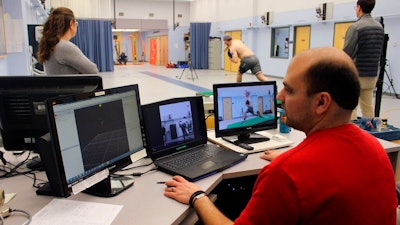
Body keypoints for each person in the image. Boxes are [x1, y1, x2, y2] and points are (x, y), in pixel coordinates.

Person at [162, 47, 397, 225]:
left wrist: (197, 196)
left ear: (321, 102)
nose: (280, 97)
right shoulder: (374, 148)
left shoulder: (286, 173)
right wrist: (291, 163)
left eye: (290, 90)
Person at [343, 0, 384, 120]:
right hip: (371, 75)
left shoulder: (355, 27)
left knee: (351, 107)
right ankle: (369, 134)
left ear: (359, 8)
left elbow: (347, 53)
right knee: (367, 107)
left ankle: (351, 135)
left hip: (356, 75)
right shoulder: (379, 27)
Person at [37, 7, 99, 75]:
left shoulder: (51, 45)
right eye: (76, 23)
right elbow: (93, 70)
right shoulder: (64, 47)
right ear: (71, 24)